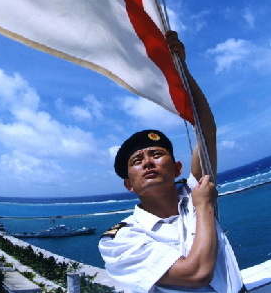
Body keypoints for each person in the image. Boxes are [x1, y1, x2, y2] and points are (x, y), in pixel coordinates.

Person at [99, 31, 244, 293]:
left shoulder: (192, 193)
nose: (148, 163)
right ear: (129, 184)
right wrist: (205, 207)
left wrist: (180, 67)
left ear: (177, 168)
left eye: (156, 154)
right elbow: (195, 273)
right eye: (137, 160)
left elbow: (206, 129)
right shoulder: (121, 239)